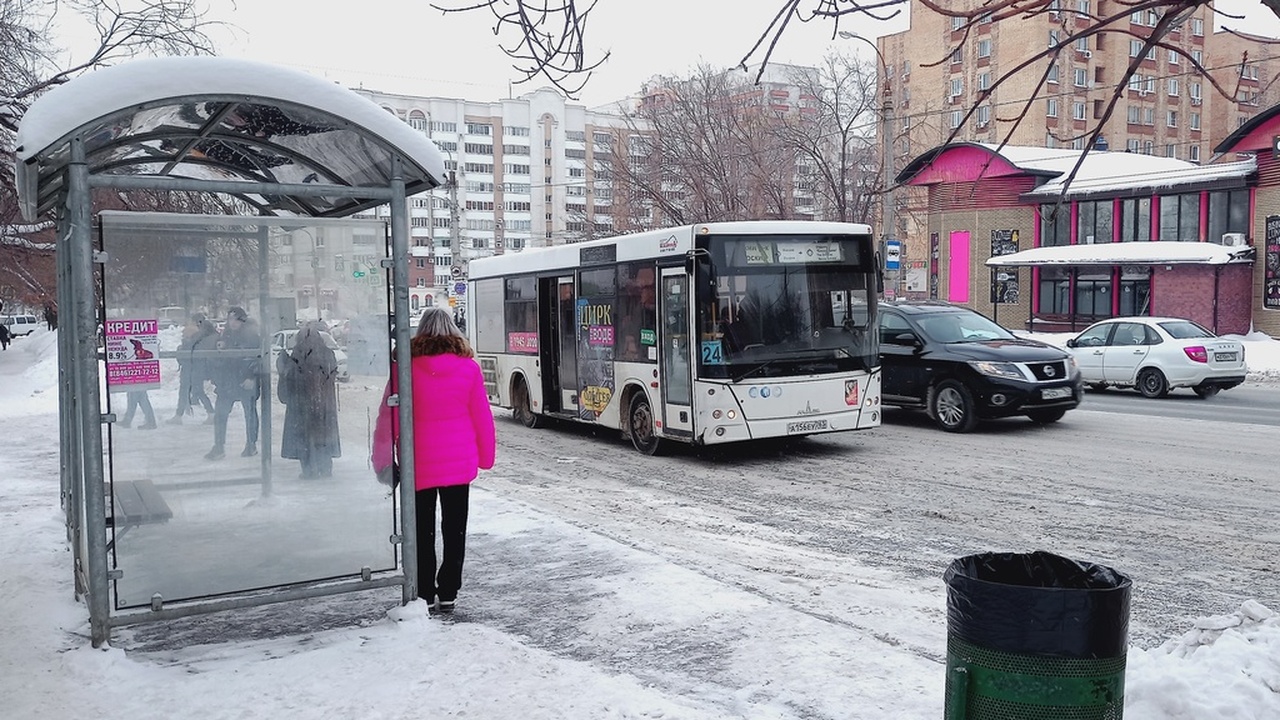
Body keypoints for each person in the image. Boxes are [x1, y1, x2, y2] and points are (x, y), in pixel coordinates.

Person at [372, 307, 495, 615]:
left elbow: (390, 415)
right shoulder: (468, 368)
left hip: (418, 463)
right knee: (455, 530)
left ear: (420, 331)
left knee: (421, 531)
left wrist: (383, 460)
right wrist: (486, 456)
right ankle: (449, 590)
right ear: (454, 330)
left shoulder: (406, 368)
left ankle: (424, 592)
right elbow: (481, 416)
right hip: (458, 462)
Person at [278, 323, 341, 478]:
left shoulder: (298, 354)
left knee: (305, 439)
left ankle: (309, 470)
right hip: (324, 405)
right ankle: (325, 468)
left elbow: (290, 380)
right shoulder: (327, 354)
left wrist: (283, 363)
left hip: (302, 405)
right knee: (323, 437)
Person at [205, 306, 262, 460]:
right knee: (220, 414)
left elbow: (257, 358)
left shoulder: (252, 335)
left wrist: (251, 376)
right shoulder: (225, 336)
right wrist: (219, 349)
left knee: (249, 413)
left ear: (243, 320)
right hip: (228, 381)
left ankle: (251, 444)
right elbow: (218, 358)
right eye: (230, 319)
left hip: (245, 380)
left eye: (236, 319)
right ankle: (219, 446)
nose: (233, 322)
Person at [168, 313, 218, 424]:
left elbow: (191, 347)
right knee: (195, 390)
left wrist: (184, 343)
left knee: (189, 390)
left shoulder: (199, 334)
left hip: (192, 365)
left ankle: (180, 415)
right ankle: (210, 413)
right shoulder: (205, 333)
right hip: (195, 365)